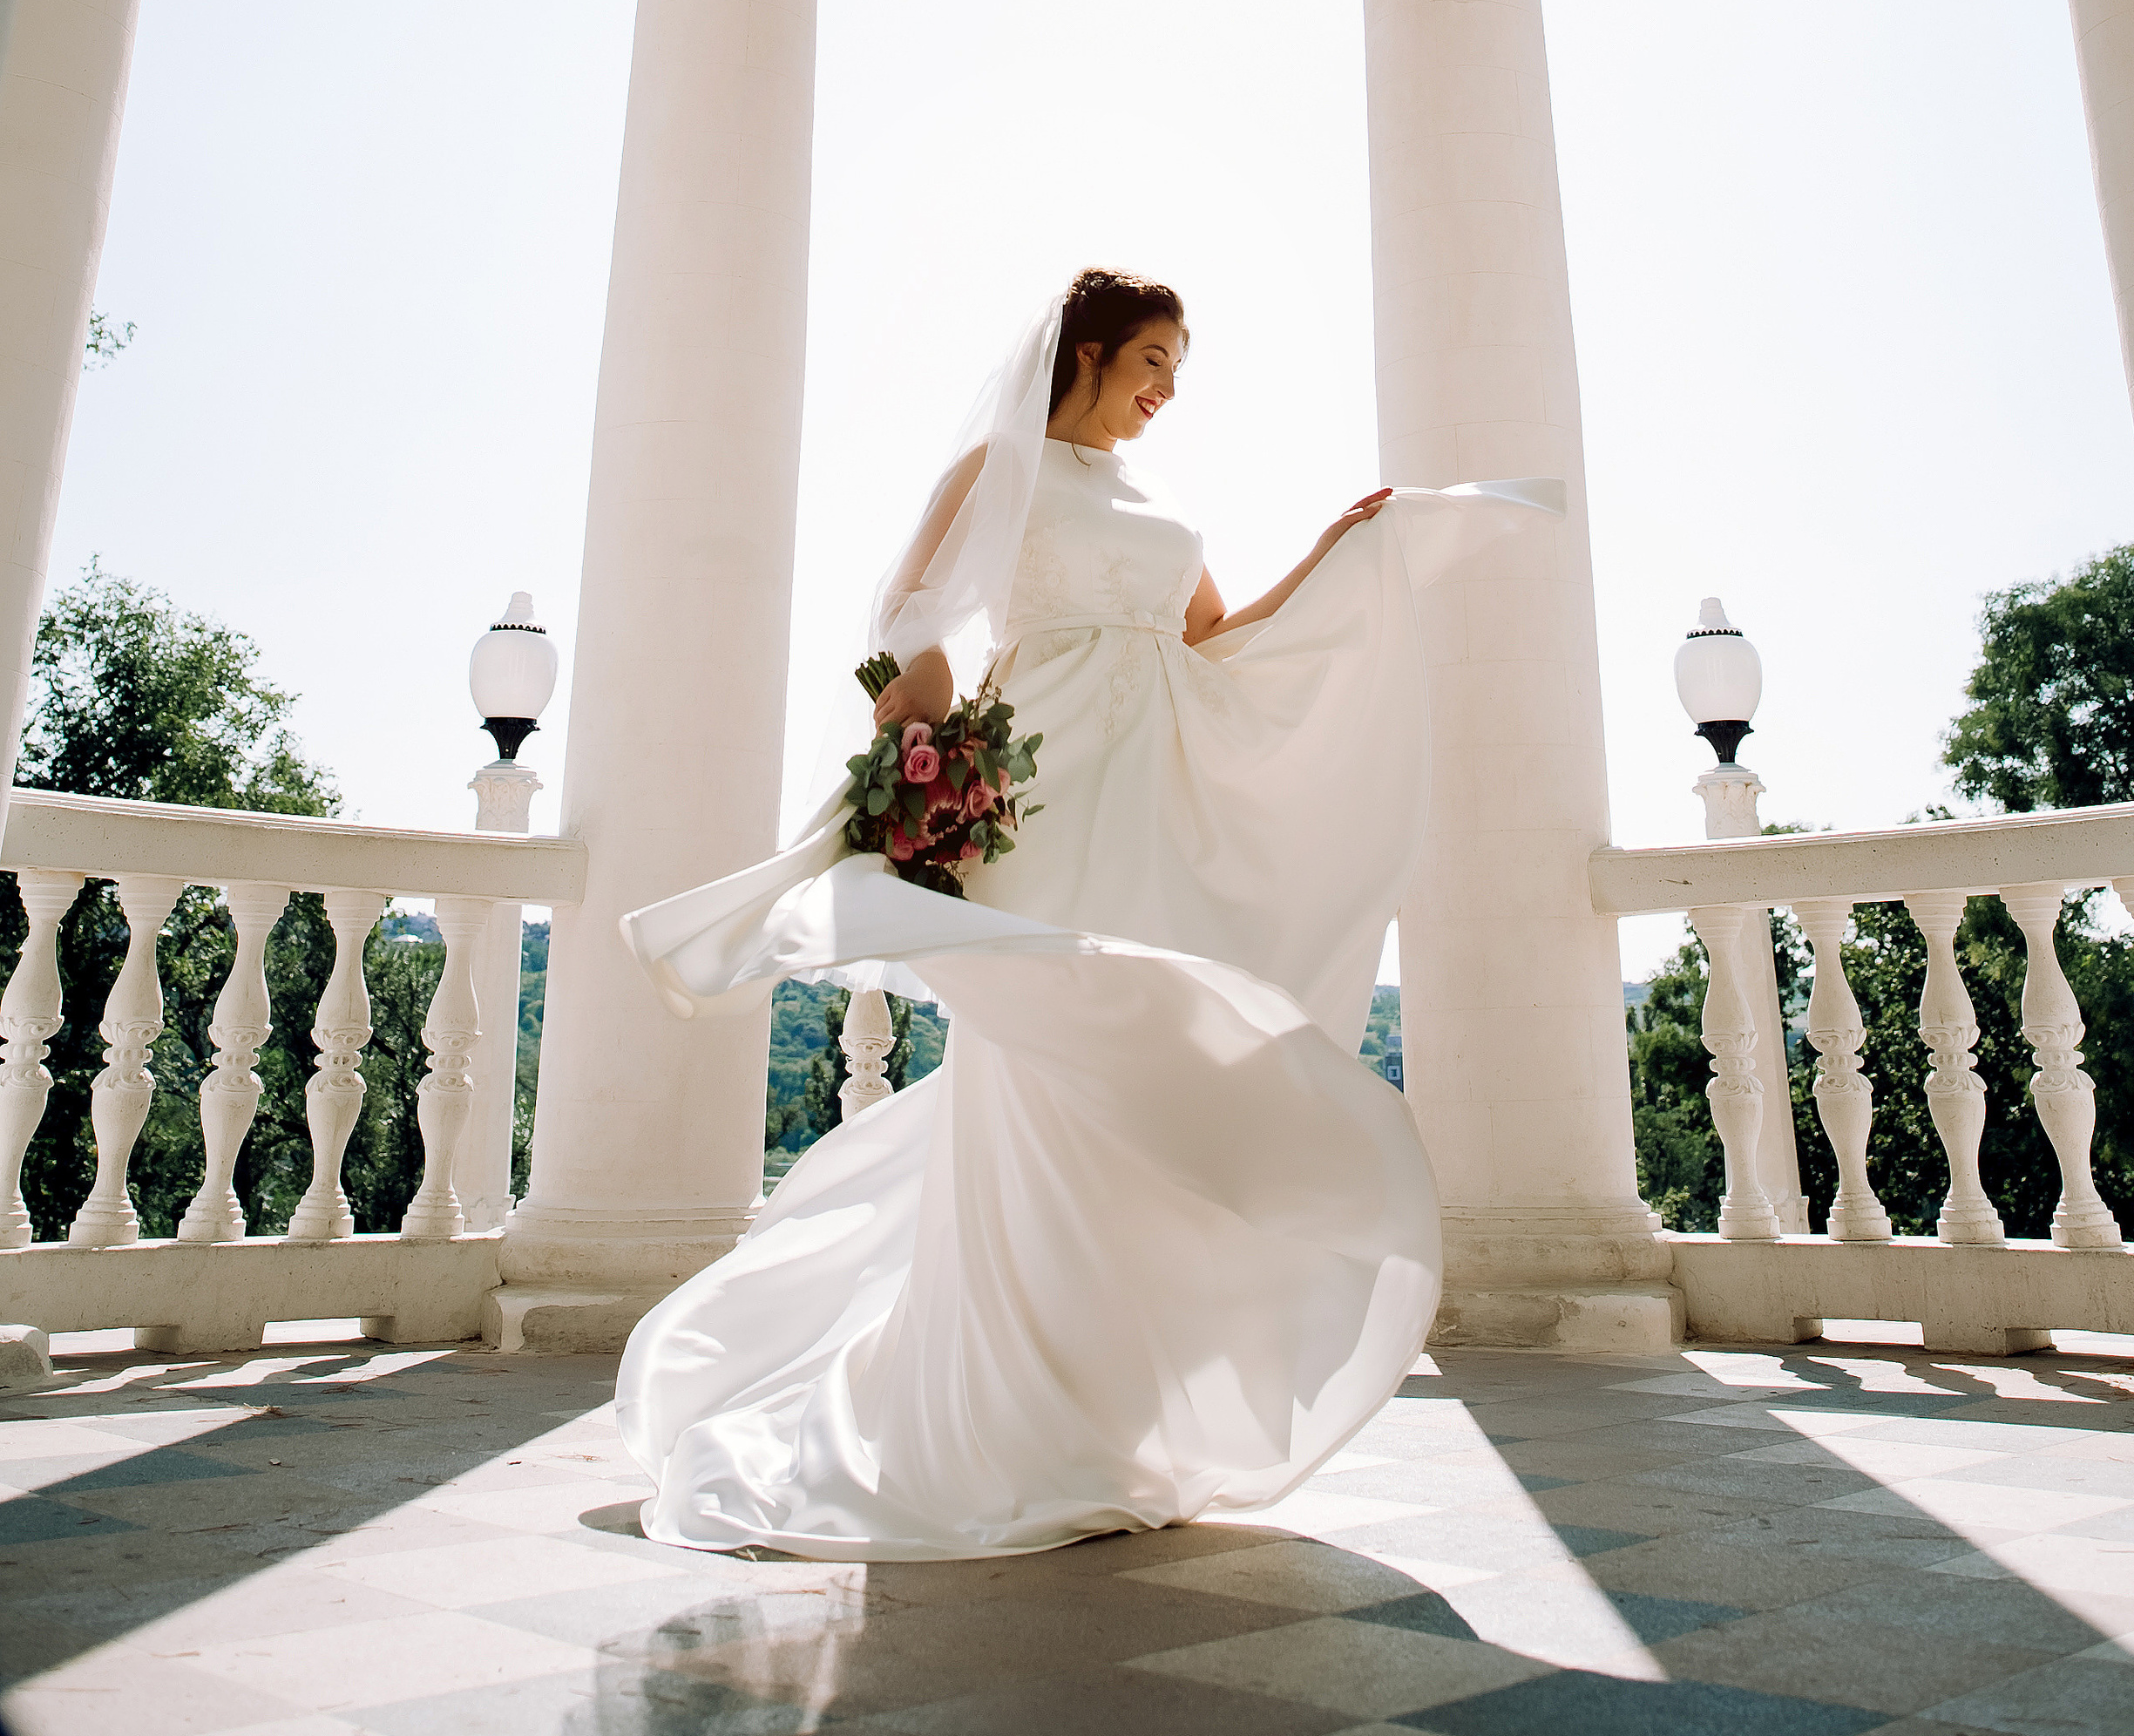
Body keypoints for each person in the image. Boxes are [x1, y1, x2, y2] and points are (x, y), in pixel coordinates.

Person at [616, 265, 1559, 1562]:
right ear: (1089, 353)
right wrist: (934, 723)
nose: (1168, 391)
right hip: (1043, 783)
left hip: (1160, 786)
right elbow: (911, 611)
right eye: (1154, 362)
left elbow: (1216, 633)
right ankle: (1006, 1413)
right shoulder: (998, 471)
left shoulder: (1160, 498)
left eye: (1179, 370)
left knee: (1152, 1048)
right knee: (1054, 1053)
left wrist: (1343, 552)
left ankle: (1114, 1411)